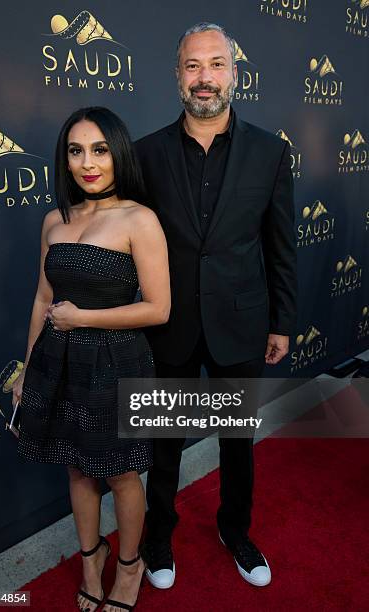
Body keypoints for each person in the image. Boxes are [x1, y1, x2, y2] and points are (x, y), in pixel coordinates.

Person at [135, 23, 297, 589]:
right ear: (177, 75)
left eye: (216, 65)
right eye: (193, 66)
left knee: (236, 442)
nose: (205, 78)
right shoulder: (145, 154)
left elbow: (281, 244)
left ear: (234, 72)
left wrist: (282, 320)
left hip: (241, 320)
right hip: (169, 323)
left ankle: (236, 530)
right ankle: (158, 539)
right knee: (165, 442)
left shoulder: (272, 152)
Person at [13, 107, 170, 612]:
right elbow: (42, 298)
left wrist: (84, 319)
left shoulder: (138, 219)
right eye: (75, 151)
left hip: (120, 362)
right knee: (77, 469)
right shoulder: (54, 221)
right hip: (59, 361)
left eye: (99, 149)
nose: (88, 162)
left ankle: (130, 566)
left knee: (122, 473)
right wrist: (26, 369)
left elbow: (159, 307)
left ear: (118, 152)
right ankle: (90, 557)